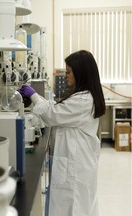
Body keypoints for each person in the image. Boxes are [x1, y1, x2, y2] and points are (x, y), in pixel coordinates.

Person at [19, 50, 106, 216]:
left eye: (69, 72)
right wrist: (38, 99)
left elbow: (53, 115)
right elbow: (57, 109)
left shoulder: (83, 100)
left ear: (80, 73)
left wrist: (35, 96)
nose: (66, 76)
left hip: (75, 165)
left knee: (74, 207)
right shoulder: (83, 96)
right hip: (78, 161)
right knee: (76, 206)